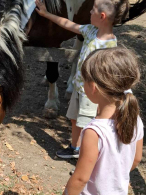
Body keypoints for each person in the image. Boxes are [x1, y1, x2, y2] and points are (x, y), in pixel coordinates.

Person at [35, 0, 129, 158]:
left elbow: (110, 74)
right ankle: (74, 148)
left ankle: (87, 159)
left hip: (93, 95)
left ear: (102, 16)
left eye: (92, 10)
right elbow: (68, 24)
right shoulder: (90, 30)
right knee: (74, 120)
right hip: (79, 88)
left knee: (90, 126)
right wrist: (46, 14)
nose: (89, 12)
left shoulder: (110, 46)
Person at [63, 47, 144, 194]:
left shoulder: (94, 132)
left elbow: (80, 179)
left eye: (84, 81)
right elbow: (136, 158)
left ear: (93, 87)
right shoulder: (135, 119)